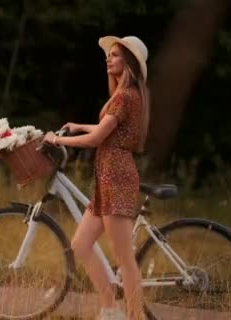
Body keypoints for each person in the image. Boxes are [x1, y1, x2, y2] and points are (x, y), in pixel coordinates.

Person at [43, 35, 150, 320]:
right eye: (109, 54)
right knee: (80, 245)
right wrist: (79, 126)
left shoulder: (126, 96)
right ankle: (109, 309)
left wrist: (58, 141)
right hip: (107, 178)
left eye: (115, 55)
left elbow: (98, 139)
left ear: (127, 62)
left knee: (124, 258)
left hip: (117, 178)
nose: (108, 58)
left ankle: (134, 316)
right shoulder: (125, 97)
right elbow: (107, 129)